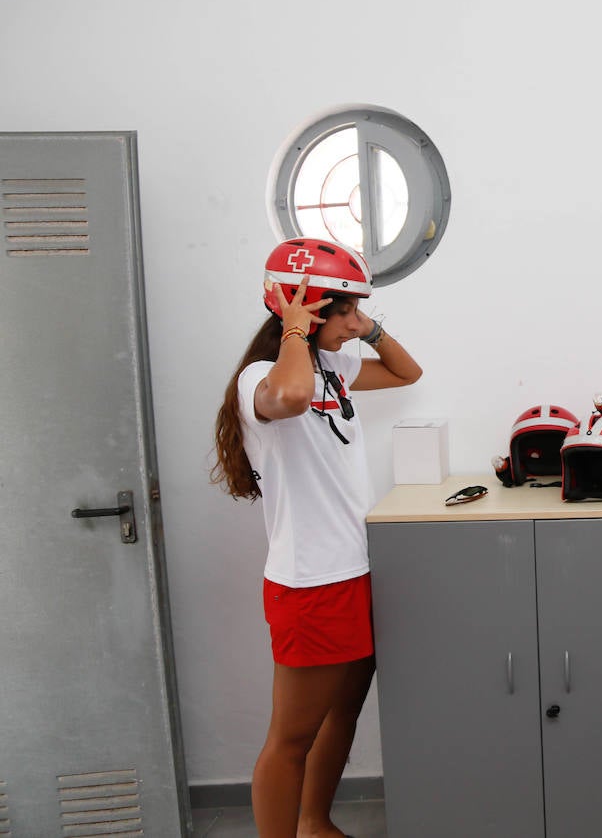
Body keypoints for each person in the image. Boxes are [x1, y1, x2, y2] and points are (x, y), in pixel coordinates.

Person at [211, 238, 422, 838]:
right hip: (310, 583)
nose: (355, 326)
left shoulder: (335, 365)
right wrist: (296, 330)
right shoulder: (265, 378)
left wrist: (366, 327)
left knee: (342, 716)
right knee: (291, 739)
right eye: (346, 312)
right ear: (307, 314)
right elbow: (293, 397)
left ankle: (314, 822)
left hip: (355, 568)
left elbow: (409, 372)